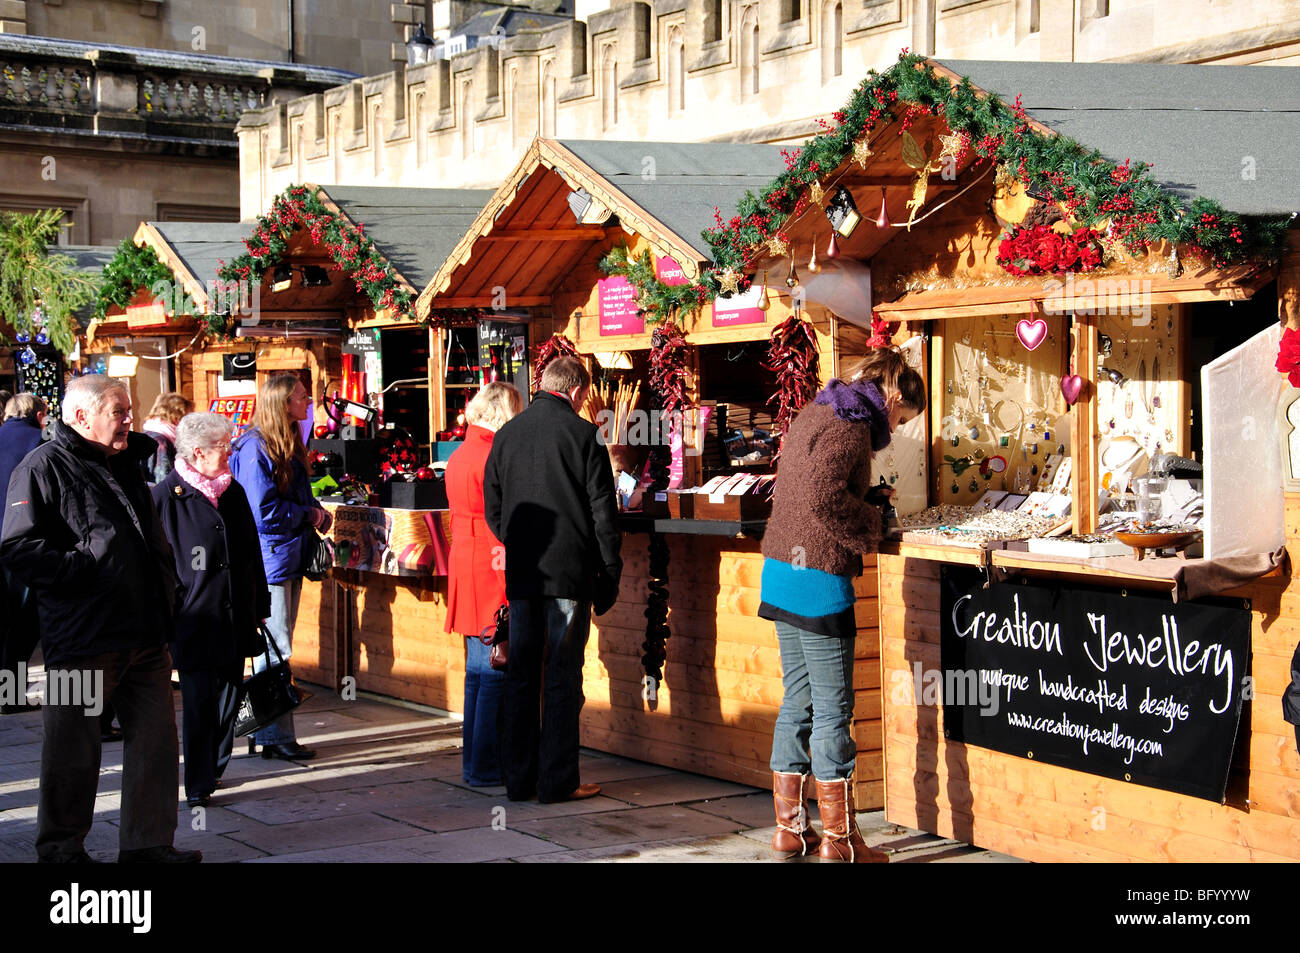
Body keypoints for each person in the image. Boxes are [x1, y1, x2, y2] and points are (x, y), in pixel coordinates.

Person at [0, 374, 199, 863]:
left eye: (129, 410)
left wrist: (168, 588)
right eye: (119, 411)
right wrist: (83, 567)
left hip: (146, 631)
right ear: (81, 416)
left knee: (154, 746)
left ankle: (149, 845)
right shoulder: (41, 467)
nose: (129, 419)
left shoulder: (127, 459)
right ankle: (61, 850)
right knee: (73, 751)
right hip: (81, 638)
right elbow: (17, 548)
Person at [758, 347, 925, 863]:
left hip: (780, 572)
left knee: (798, 700)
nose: (896, 427)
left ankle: (789, 831)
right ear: (893, 395)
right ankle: (840, 842)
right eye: (902, 417)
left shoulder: (821, 408)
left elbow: (811, 487)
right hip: (818, 581)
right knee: (834, 710)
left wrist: (868, 496)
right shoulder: (852, 425)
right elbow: (822, 499)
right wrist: (874, 526)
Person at [484, 356, 622, 804]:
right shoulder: (584, 435)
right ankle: (557, 781)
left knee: (523, 675)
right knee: (563, 677)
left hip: (525, 572)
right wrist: (610, 568)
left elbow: (494, 507)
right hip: (569, 574)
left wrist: (518, 542)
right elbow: (603, 509)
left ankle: (519, 779)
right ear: (579, 391)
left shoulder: (506, 435)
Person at [154, 413, 270, 807]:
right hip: (194, 619)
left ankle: (214, 768)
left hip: (235, 616)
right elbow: (158, 566)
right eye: (225, 446)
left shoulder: (232, 492)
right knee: (199, 702)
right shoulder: (165, 497)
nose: (231, 451)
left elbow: (251, 553)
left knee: (230, 698)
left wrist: (261, 605)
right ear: (199, 453)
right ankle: (199, 781)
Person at [230, 373, 330, 761]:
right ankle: (275, 736)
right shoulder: (257, 448)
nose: (309, 403)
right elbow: (263, 512)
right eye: (303, 398)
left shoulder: (280, 443)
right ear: (283, 403)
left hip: (283, 555)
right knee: (275, 647)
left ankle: (265, 732)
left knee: (272, 647)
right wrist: (309, 515)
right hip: (271, 558)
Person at [445, 381, 523, 787]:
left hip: (468, 560)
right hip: (492, 561)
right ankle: (486, 766)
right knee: (496, 667)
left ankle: (475, 764)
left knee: (478, 671)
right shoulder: (494, 454)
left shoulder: (463, 452)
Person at [0, 393, 46, 714]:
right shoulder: (41, 443)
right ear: (40, 414)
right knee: (24, 622)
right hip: (24, 539)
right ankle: (10, 694)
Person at [140, 392, 193, 485]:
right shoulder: (161, 442)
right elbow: (165, 480)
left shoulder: (148, 432)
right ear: (175, 416)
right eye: (186, 417)